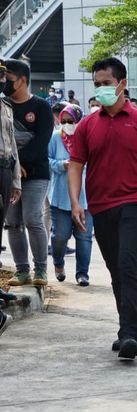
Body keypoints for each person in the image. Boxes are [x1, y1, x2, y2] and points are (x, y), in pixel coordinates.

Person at [67, 57, 137, 360]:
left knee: (128, 264)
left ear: (123, 84)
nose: (101, 89)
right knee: (117, 271)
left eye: (107, 83)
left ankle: (128, 333)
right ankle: (132, 329)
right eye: (97, 84)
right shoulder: (87, 125)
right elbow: (76, 165)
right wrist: (76, 202)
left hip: (136, 204)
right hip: (101, 206)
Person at [3, 59, 54, 287]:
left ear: (22, 80)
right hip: (9, 174)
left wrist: (20, 163)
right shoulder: (3, 105)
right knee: (13, 222)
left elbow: (41, 142)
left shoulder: (41, 106)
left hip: (36, 173)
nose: (5, 83)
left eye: (9, 79)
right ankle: (22, 270)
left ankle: (40, 269)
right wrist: (13, 167)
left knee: (32, 218)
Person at [47, 104, 93, 286]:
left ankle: (82, 273)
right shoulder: (54, 138)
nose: (66, 124)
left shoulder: (87, 139)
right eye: (63, 121)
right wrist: (61, 165)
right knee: (60, 236)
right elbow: (47, 160)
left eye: (71, 121)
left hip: (85, 198)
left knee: (84, 237)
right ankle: (58, 264)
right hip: (60, 197)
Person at [0, 63, 23, 273]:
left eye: (3, 76)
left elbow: (12, 146)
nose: (2, 80)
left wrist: (16, 181)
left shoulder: (6, 106)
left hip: (5, 170)